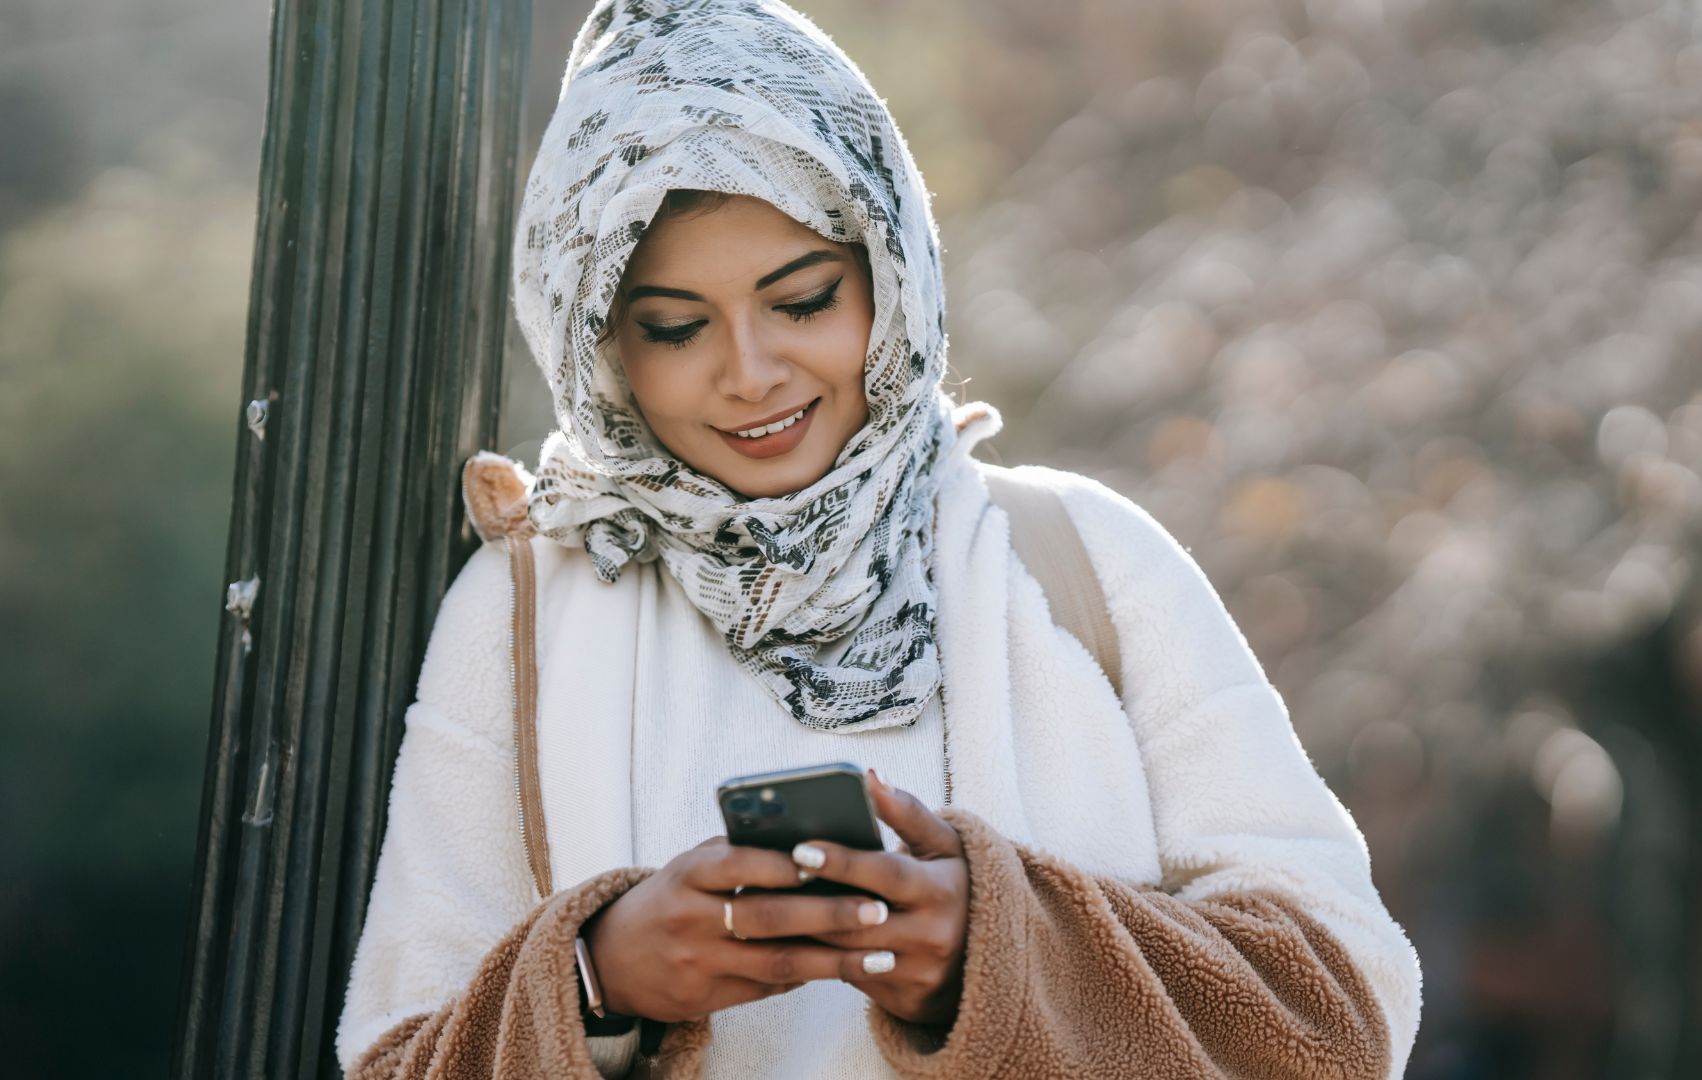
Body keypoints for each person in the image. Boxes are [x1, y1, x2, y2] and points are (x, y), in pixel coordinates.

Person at [334, 1, 1423, 1077]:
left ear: (888, 274)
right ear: (601, 340)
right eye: (674, 326)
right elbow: (394, 1058)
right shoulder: (524, 607)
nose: (750, 371)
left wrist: (992, 956)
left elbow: (1341, 1010)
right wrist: (595, 980)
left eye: (802, 301)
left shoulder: (1086, 559)